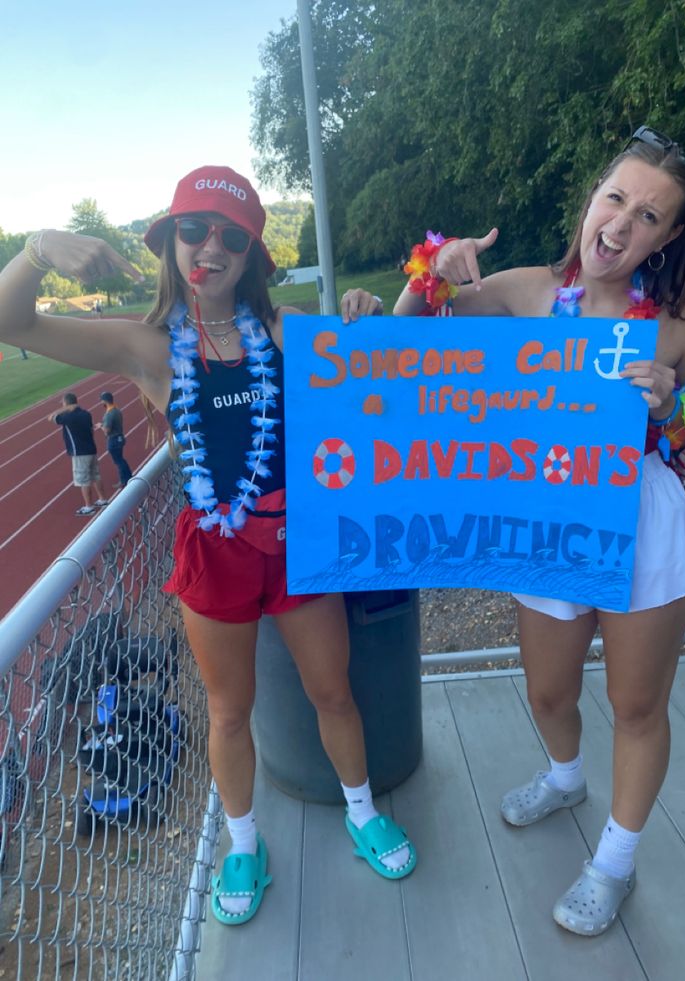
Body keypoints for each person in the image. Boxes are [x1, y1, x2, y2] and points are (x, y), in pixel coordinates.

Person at [0, 165, 415, 927]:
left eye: (230, 235)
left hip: (298, 538)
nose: (210, 248)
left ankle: (361, 812)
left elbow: (384, 358)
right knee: (230, 711)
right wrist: (35, 251)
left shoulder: (289, 330)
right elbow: (10, 321)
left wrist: (364, 310)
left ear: (253, 251)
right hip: (213, 549)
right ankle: (244, 843)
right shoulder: (148, 347)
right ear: (172, 243)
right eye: (194, 230)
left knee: (333, 690)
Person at [346, 125, 685, 936]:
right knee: (548, 690)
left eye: (651, 216)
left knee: (636, 705)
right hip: (550, 516)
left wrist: (675, 404)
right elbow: (399, 347)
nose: (622, 224)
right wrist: (433, 272)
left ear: (672, 235)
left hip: (645, 524)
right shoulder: (528, 292)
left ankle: (614, 861)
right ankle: (564, 775)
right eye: (616, 197)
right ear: (592, 198)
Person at [49, 391, 109, 516]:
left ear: (67, 403)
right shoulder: (86, 414)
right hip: (91, 449)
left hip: (79, 453)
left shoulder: (67, 417)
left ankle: (88, 507)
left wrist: (64, 409)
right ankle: (103, 499)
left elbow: (51, 417)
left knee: (84, 480)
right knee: (95, 476)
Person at [98, 391, 133, 487]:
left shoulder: (109, 414)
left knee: (118, 461)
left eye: (102, 401)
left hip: (113, 439)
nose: (101, 403)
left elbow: (107, 430)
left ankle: (123, 481)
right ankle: (129, 476)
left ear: (105, 401)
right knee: (121, 459)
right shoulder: (117, 410)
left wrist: (101, 426)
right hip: (119, 438)